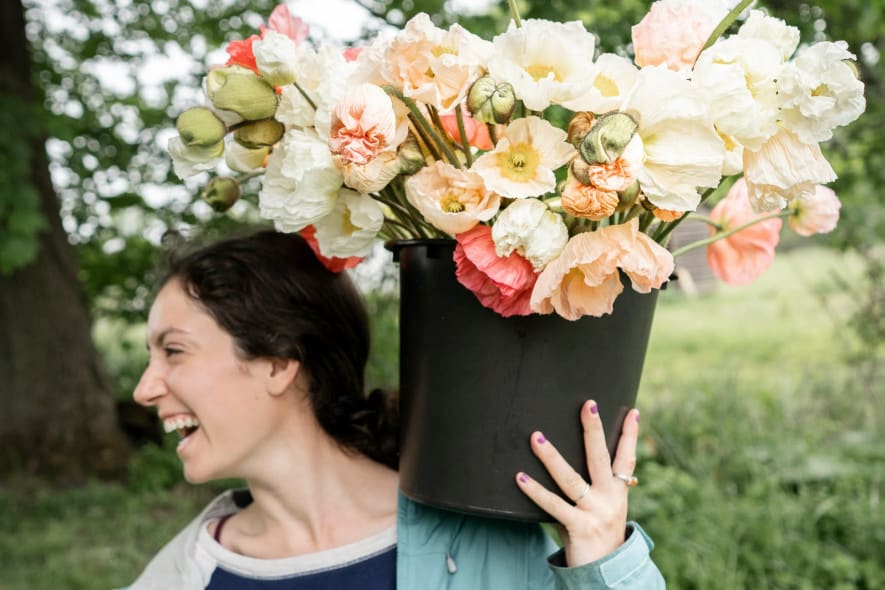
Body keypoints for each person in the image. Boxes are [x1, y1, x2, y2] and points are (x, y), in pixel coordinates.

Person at [126, 229, 665, 589]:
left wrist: (603, 560)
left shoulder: (475, 542)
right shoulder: (185, 574)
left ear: (277, 361)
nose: (144, 389)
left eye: (173, 350)